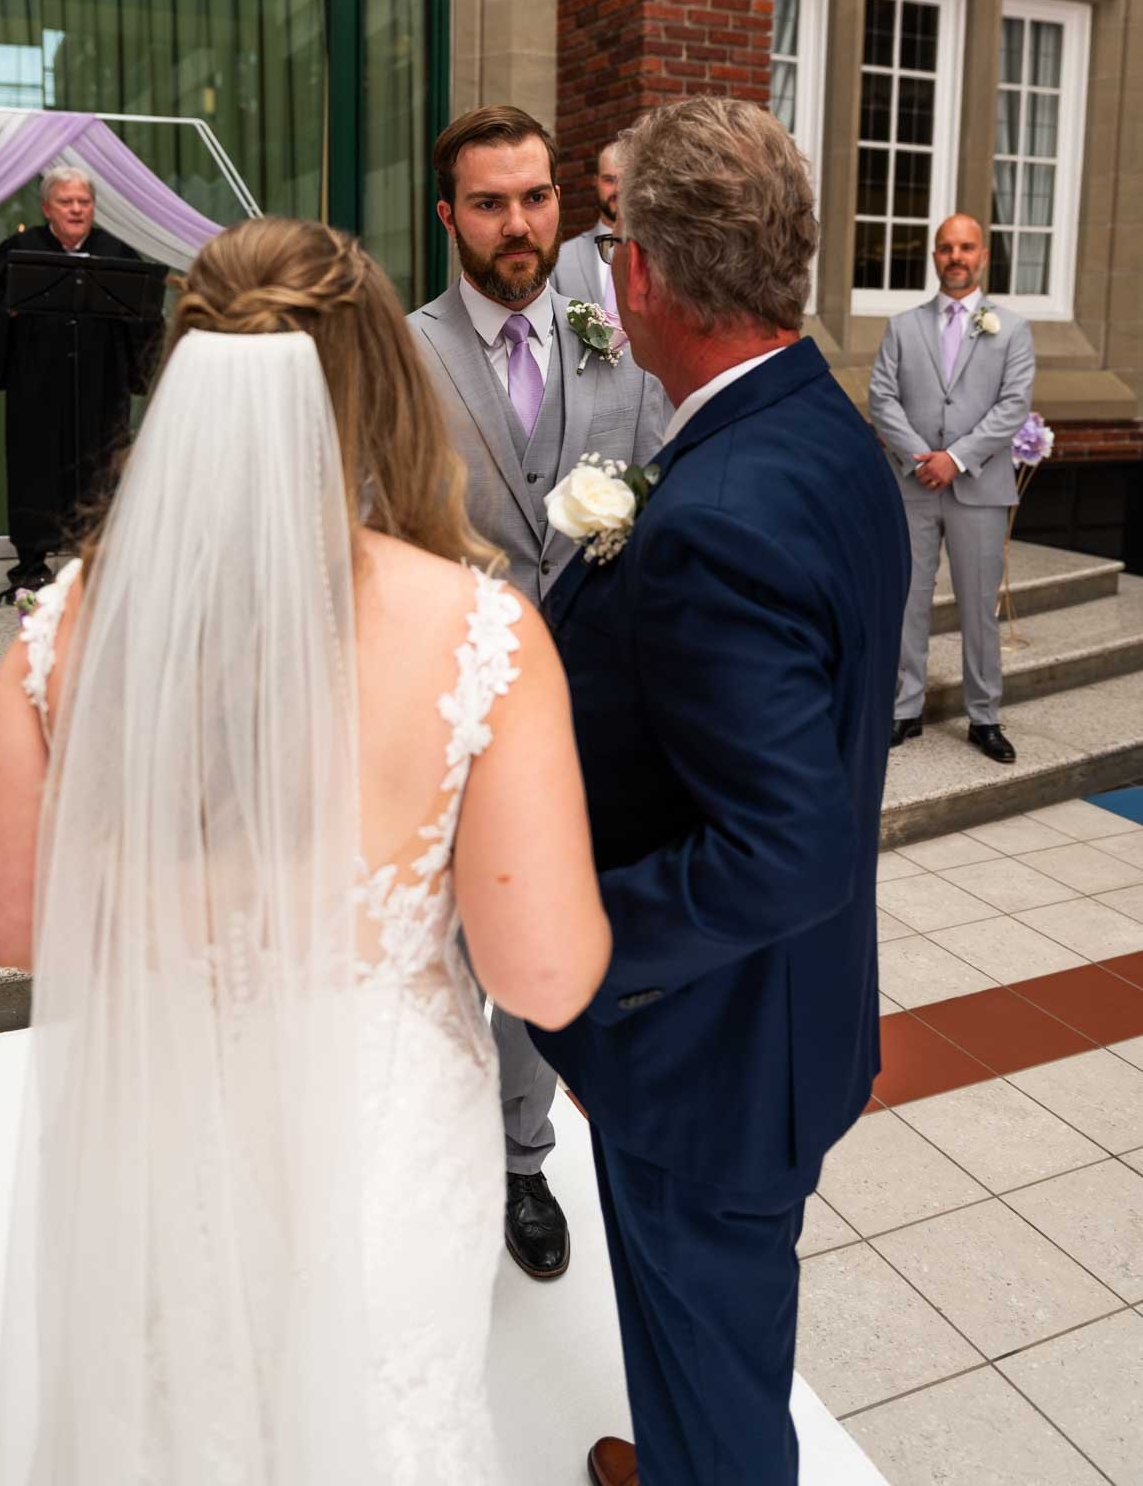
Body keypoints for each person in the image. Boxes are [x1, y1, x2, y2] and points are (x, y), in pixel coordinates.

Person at [0, 217, 609, 1484]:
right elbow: (543, 978)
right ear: (378, 382)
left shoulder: (63, 627)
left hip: (158, 1141)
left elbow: (13, 925)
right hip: (380, 1162)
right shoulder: (480, 631)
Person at [532, 97, 910, 1486]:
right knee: (710, 1336)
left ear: (642, 272)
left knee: (719, 1351)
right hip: (780, 1021)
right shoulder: (817, 430)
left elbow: (783, 847)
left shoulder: (722, 512)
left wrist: (570, 935)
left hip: (712, 1052)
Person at [409, 104, 667, 1283]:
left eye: (535, 198)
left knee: (539, 943)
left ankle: (522, 1159)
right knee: (443, 949)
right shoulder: (405, 356)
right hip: (447, 715)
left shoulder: (612, 338)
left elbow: (662, 491)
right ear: (448, 213)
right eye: (490, 202)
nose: (518, 226)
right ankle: (432, 1144)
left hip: (588, 713)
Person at [868, 213, 1035, 764]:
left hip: (980, 489)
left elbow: (1012, 406)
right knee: (908, 601)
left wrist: (955, 459)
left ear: (983, 256)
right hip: (913, 485)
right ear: (934, 257)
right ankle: (904, 708)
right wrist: (922, 457)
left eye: (965, 247)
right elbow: (881, 398)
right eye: (945, 248)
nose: (955, 257)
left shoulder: (1011, 329)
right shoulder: (903, 327)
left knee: (978, 609)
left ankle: (984, 715)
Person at [0, 167, 162, 603]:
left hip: (101, 382)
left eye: (84, 202)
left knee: (102, 465)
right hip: (37, 382)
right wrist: (9, 313)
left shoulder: (116, 252)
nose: (76, 209)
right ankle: (33, 567)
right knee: (35, 466)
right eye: (66, 202)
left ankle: (98, 563)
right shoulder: (19, 250)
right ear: (46, 208)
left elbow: (148, 312)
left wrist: (135, 330)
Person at [554, 138, 621, 309]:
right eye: (609, 180)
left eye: (626, 179)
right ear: (595, 181)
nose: (618, 189)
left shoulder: (660, 255)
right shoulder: (561, 259)